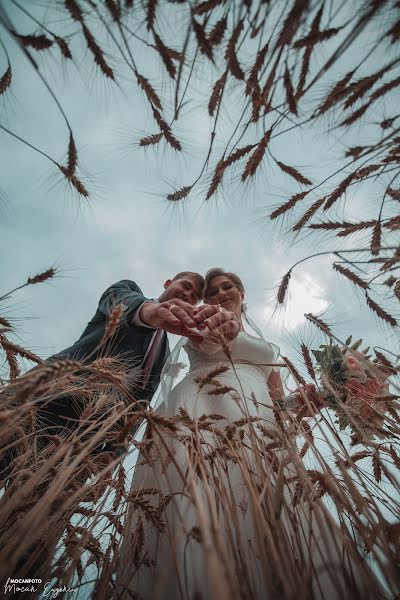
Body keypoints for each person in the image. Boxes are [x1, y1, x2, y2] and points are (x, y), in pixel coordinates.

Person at [114, 268, 383, 600]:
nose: (220, 294)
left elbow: (277, 404)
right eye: (211, 292)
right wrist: (215, 328)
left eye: (228, 287)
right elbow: (208, 336)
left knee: (270, 506)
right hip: (203, 406)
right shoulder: (207, 316)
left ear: (242, 292)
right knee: (199, 498)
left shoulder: (265, 345)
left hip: (258, 422)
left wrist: (312, 399)